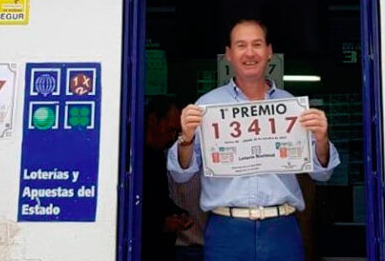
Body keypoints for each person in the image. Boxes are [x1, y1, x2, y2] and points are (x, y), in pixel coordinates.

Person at [167, 19, 340, 261]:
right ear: (228, 54)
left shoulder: (291, 105)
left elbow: (323, 173)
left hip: (281, 229)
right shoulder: (206, 106)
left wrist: (321, 139)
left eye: (257, 44)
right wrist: (186, 140)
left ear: (269, 51)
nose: (250, 53)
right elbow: (180, 175)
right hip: (226, 230)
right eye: (241, 45)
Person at [143, 96, 194, 260]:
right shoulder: (127, 156)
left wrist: (178, 213)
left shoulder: (157, 156)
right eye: (170, 130)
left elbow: (160, 199)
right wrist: (160, 223)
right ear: (153, 120)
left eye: (177, 133)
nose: (173, 138)